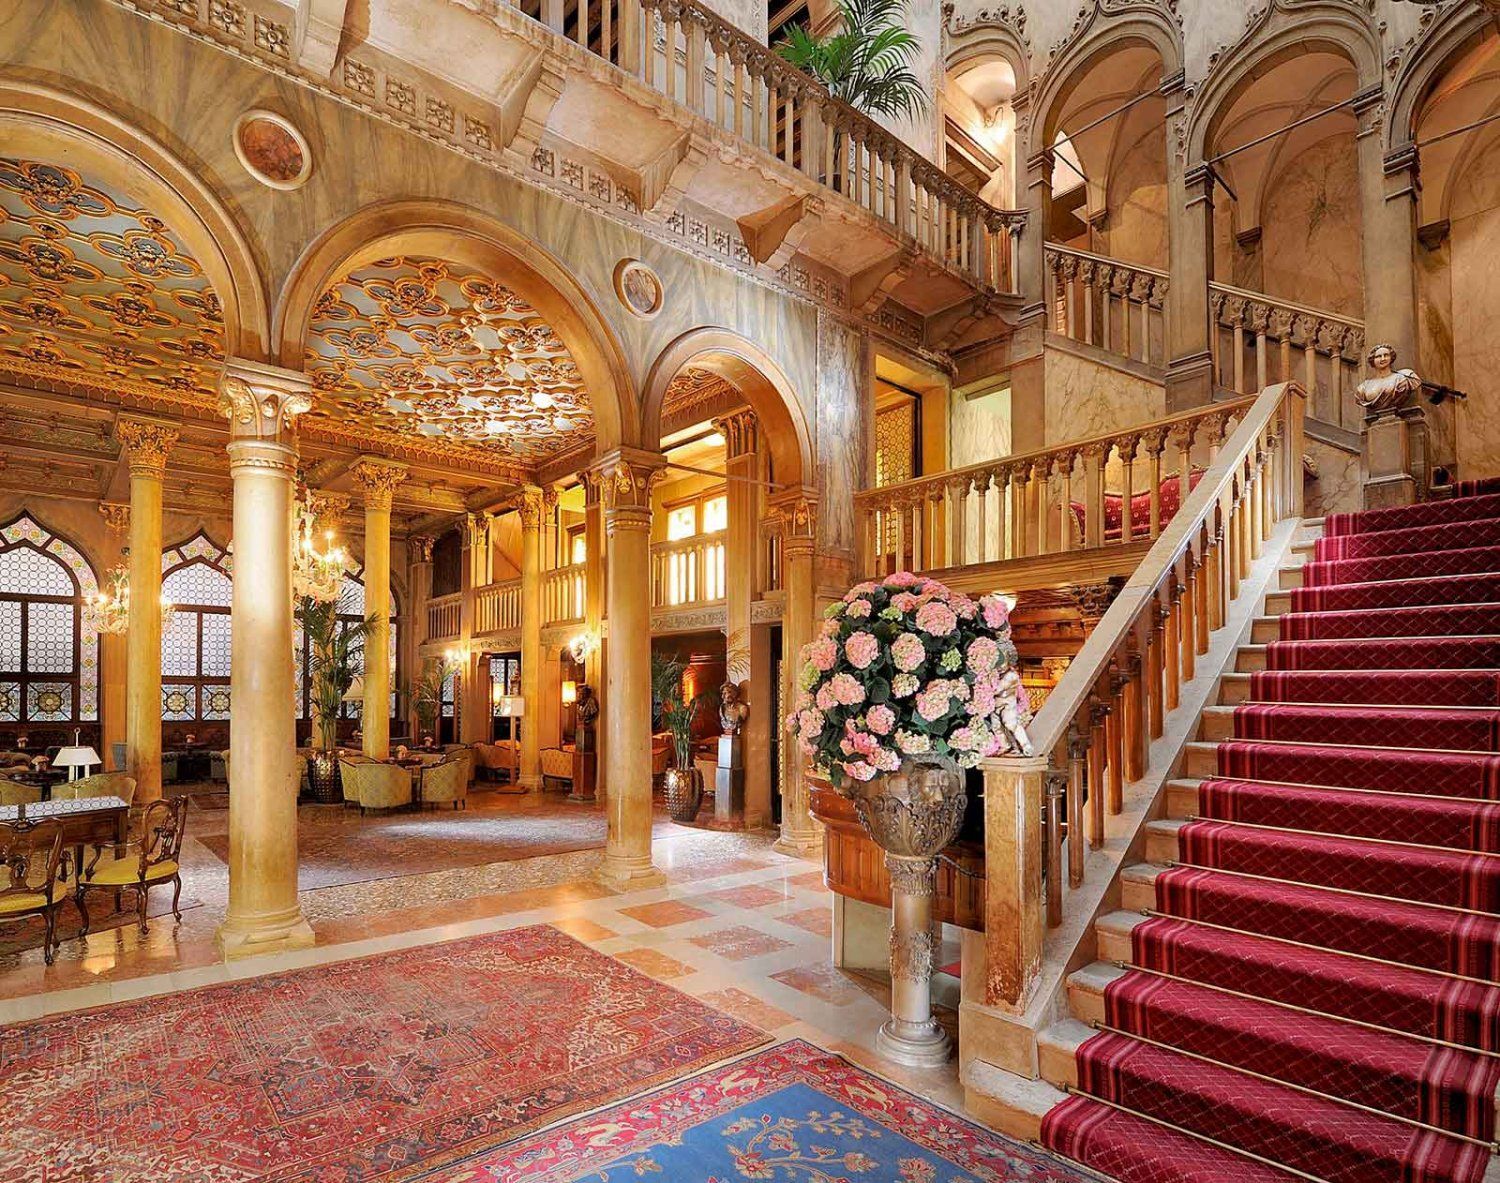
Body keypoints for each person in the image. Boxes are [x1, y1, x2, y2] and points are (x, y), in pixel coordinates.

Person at [1355, 343, 1421, 416]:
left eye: (1386, 355)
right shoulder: (1363, 387)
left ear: (1391, 357)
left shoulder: (1403, 378)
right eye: (1378, 356)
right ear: (1372, 360)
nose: (1383, 359)